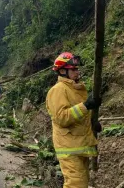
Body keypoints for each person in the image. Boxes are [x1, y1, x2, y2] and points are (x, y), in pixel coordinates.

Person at [46, 52, 101, 188]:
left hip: (79, 144)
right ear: (63, 71)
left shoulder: (75, 89)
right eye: (74, 69)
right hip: (68, 147)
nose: (77, 72)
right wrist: (86, 105)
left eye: (77, 69)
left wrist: (93, 124)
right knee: (76, 184)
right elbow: (62, 118)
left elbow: (78, 117)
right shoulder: (58, 90)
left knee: (82, 183)